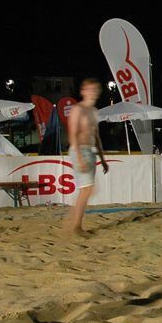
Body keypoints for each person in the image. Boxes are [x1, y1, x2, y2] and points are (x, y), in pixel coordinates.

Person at [64, 79, 109, 235]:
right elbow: (72, 134)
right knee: (87, 189)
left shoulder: (94, 111)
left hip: (90, 151)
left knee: (88, 190)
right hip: (80, 151)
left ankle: (73, 220)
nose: (93, 92)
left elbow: (96, 136)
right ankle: (76, 226)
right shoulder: (78, 109)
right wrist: (79, 158)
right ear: (83, 91)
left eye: (95, 89)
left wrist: (103, 159)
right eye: (89, 89)